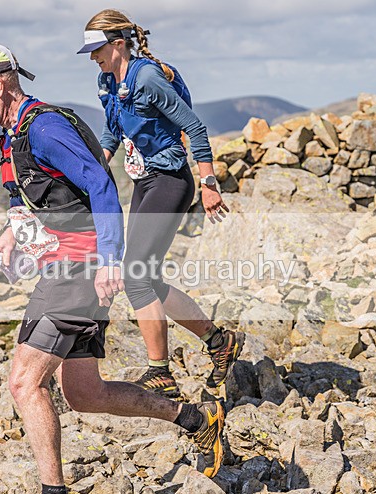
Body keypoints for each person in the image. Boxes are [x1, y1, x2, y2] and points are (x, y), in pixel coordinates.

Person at [0, 42, 226, 494]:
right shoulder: (14, 135)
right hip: (66, 269)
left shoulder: (46, 128)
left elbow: (100, 184)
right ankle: (197, 420)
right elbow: (30, 194)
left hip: (78, 271)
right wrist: (12, 232)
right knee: (85, 393)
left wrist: (111, 260)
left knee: (24, 382)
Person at [78, 9, 245, 400]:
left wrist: (208, 183)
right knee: (146, 277)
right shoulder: (107, 81)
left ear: (118, 44)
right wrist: (94, 169)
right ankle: (219, 341)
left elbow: (194, 127)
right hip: (143, 181)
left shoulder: (148, 78)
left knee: (134, 275)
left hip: (171, 181)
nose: (93, 58)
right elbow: (111, 131)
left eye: (97, 49)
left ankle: (160, 372)